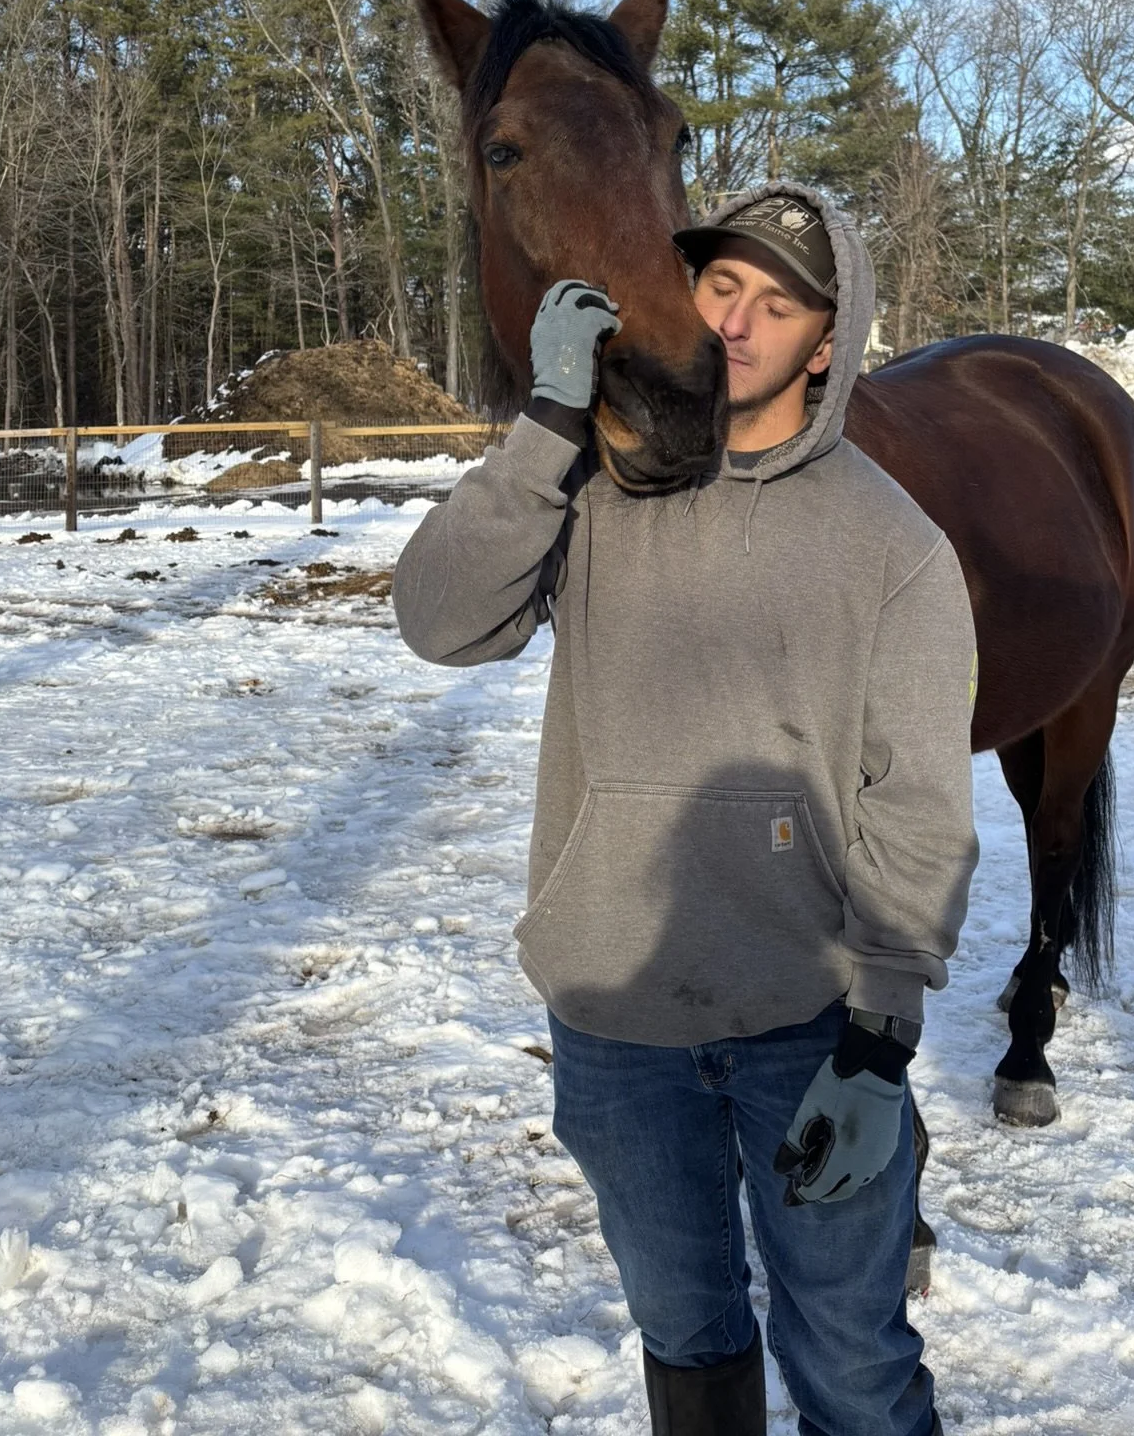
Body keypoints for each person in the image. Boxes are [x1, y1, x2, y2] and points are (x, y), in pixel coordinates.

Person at [395, 183, 978, 1436]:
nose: (738, 320)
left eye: (779, 302)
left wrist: (880, 1049)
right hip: (617, 1021)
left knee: (855, 1359)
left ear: (828, 340)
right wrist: (547, 418)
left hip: (809, 1023)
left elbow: (919, 806)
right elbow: (438, 621)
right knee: (688, 1340)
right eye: (721, 285)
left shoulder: (896, 545)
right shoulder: (597, 493)